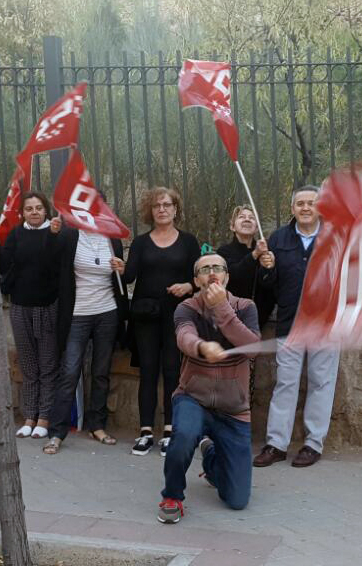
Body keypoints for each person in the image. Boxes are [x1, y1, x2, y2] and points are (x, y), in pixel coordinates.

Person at [157, 253, 261, 524]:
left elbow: (252, 348)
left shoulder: (245, 307)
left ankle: (211, 458)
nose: (211, 272)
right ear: (196, 280)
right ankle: (172, 496)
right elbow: (184, 335)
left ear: (226, 275)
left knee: (237, 500)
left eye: (217, 268)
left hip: (233, 409)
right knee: (182, 437)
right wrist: (202, 347)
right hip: (193, 398)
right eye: (204, 269)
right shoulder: (187, 307)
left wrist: (222, 310)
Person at [253, 185, 338, 468]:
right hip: (289, 323)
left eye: (310, 203)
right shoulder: (278, 239)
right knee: (285, 383)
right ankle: (276, 444)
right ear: (292, 209)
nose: (305, 208)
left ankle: (313, 444)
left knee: (320, 383)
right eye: (299, 203)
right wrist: (267, 267)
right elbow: (268, 284)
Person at [44, 192, 128, 455]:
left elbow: (121, 277)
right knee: (69, 372)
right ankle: (56, 432)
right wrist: (53, 234)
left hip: (108, 313)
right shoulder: (70, 236)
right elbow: (51, 261)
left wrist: (122, 268)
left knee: (101, 372)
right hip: (77, 314)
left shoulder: (112, 239)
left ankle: (97, 425)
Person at [121, 186, 201, 456]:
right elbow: (129, 277)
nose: (162, 209)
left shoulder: (189, 242)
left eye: (167, 205)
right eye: (157, 206)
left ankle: (169, 429)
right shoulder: (141, 243)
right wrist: (119, 267)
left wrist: (188, 286)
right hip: (146, 315)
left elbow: (200, 276)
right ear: (150, 211)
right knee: (148, 371)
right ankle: (145, 431)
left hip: (177, 315)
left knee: (172, 371)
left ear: (175, 209)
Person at [0, 192, 64, 439]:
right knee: (28, 365)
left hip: (47, 307)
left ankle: (44, 418)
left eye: (38, 207)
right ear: (22, 212)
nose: (34, 212)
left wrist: (54, 236)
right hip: (20, 307)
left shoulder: (55, 233)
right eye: (29, 208)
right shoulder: (16, 234)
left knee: (48, 365)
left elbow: (55, 263)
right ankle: (29, 416)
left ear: (45, 210)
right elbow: (5, 264)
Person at [215, 205, 276, 327]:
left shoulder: (266, 252)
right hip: (230, 321)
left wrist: (270, 268)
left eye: (251, 218)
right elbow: (233, 276)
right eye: (242, 217)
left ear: (256, 227)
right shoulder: (223, 252)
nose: (247, 219)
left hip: (259, 322)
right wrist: (254, 254)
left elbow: (270, 286)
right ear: (232, 226)